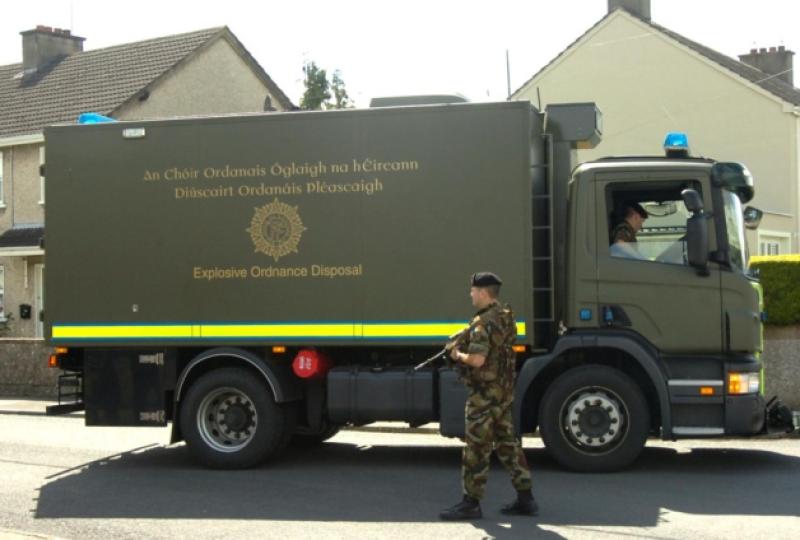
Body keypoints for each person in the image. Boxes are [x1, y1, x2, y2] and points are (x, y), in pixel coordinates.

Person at [439, 272, 537, 521]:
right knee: (507, 444)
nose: (470, 294)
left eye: (472, 290)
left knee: (476, 447)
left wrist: (456, 355)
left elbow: (478, 360)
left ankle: (470, 503)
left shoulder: (483, 324)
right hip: (503, 392)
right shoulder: (504, 317)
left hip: (484, 396)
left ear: (483, 292)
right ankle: (526, 498)